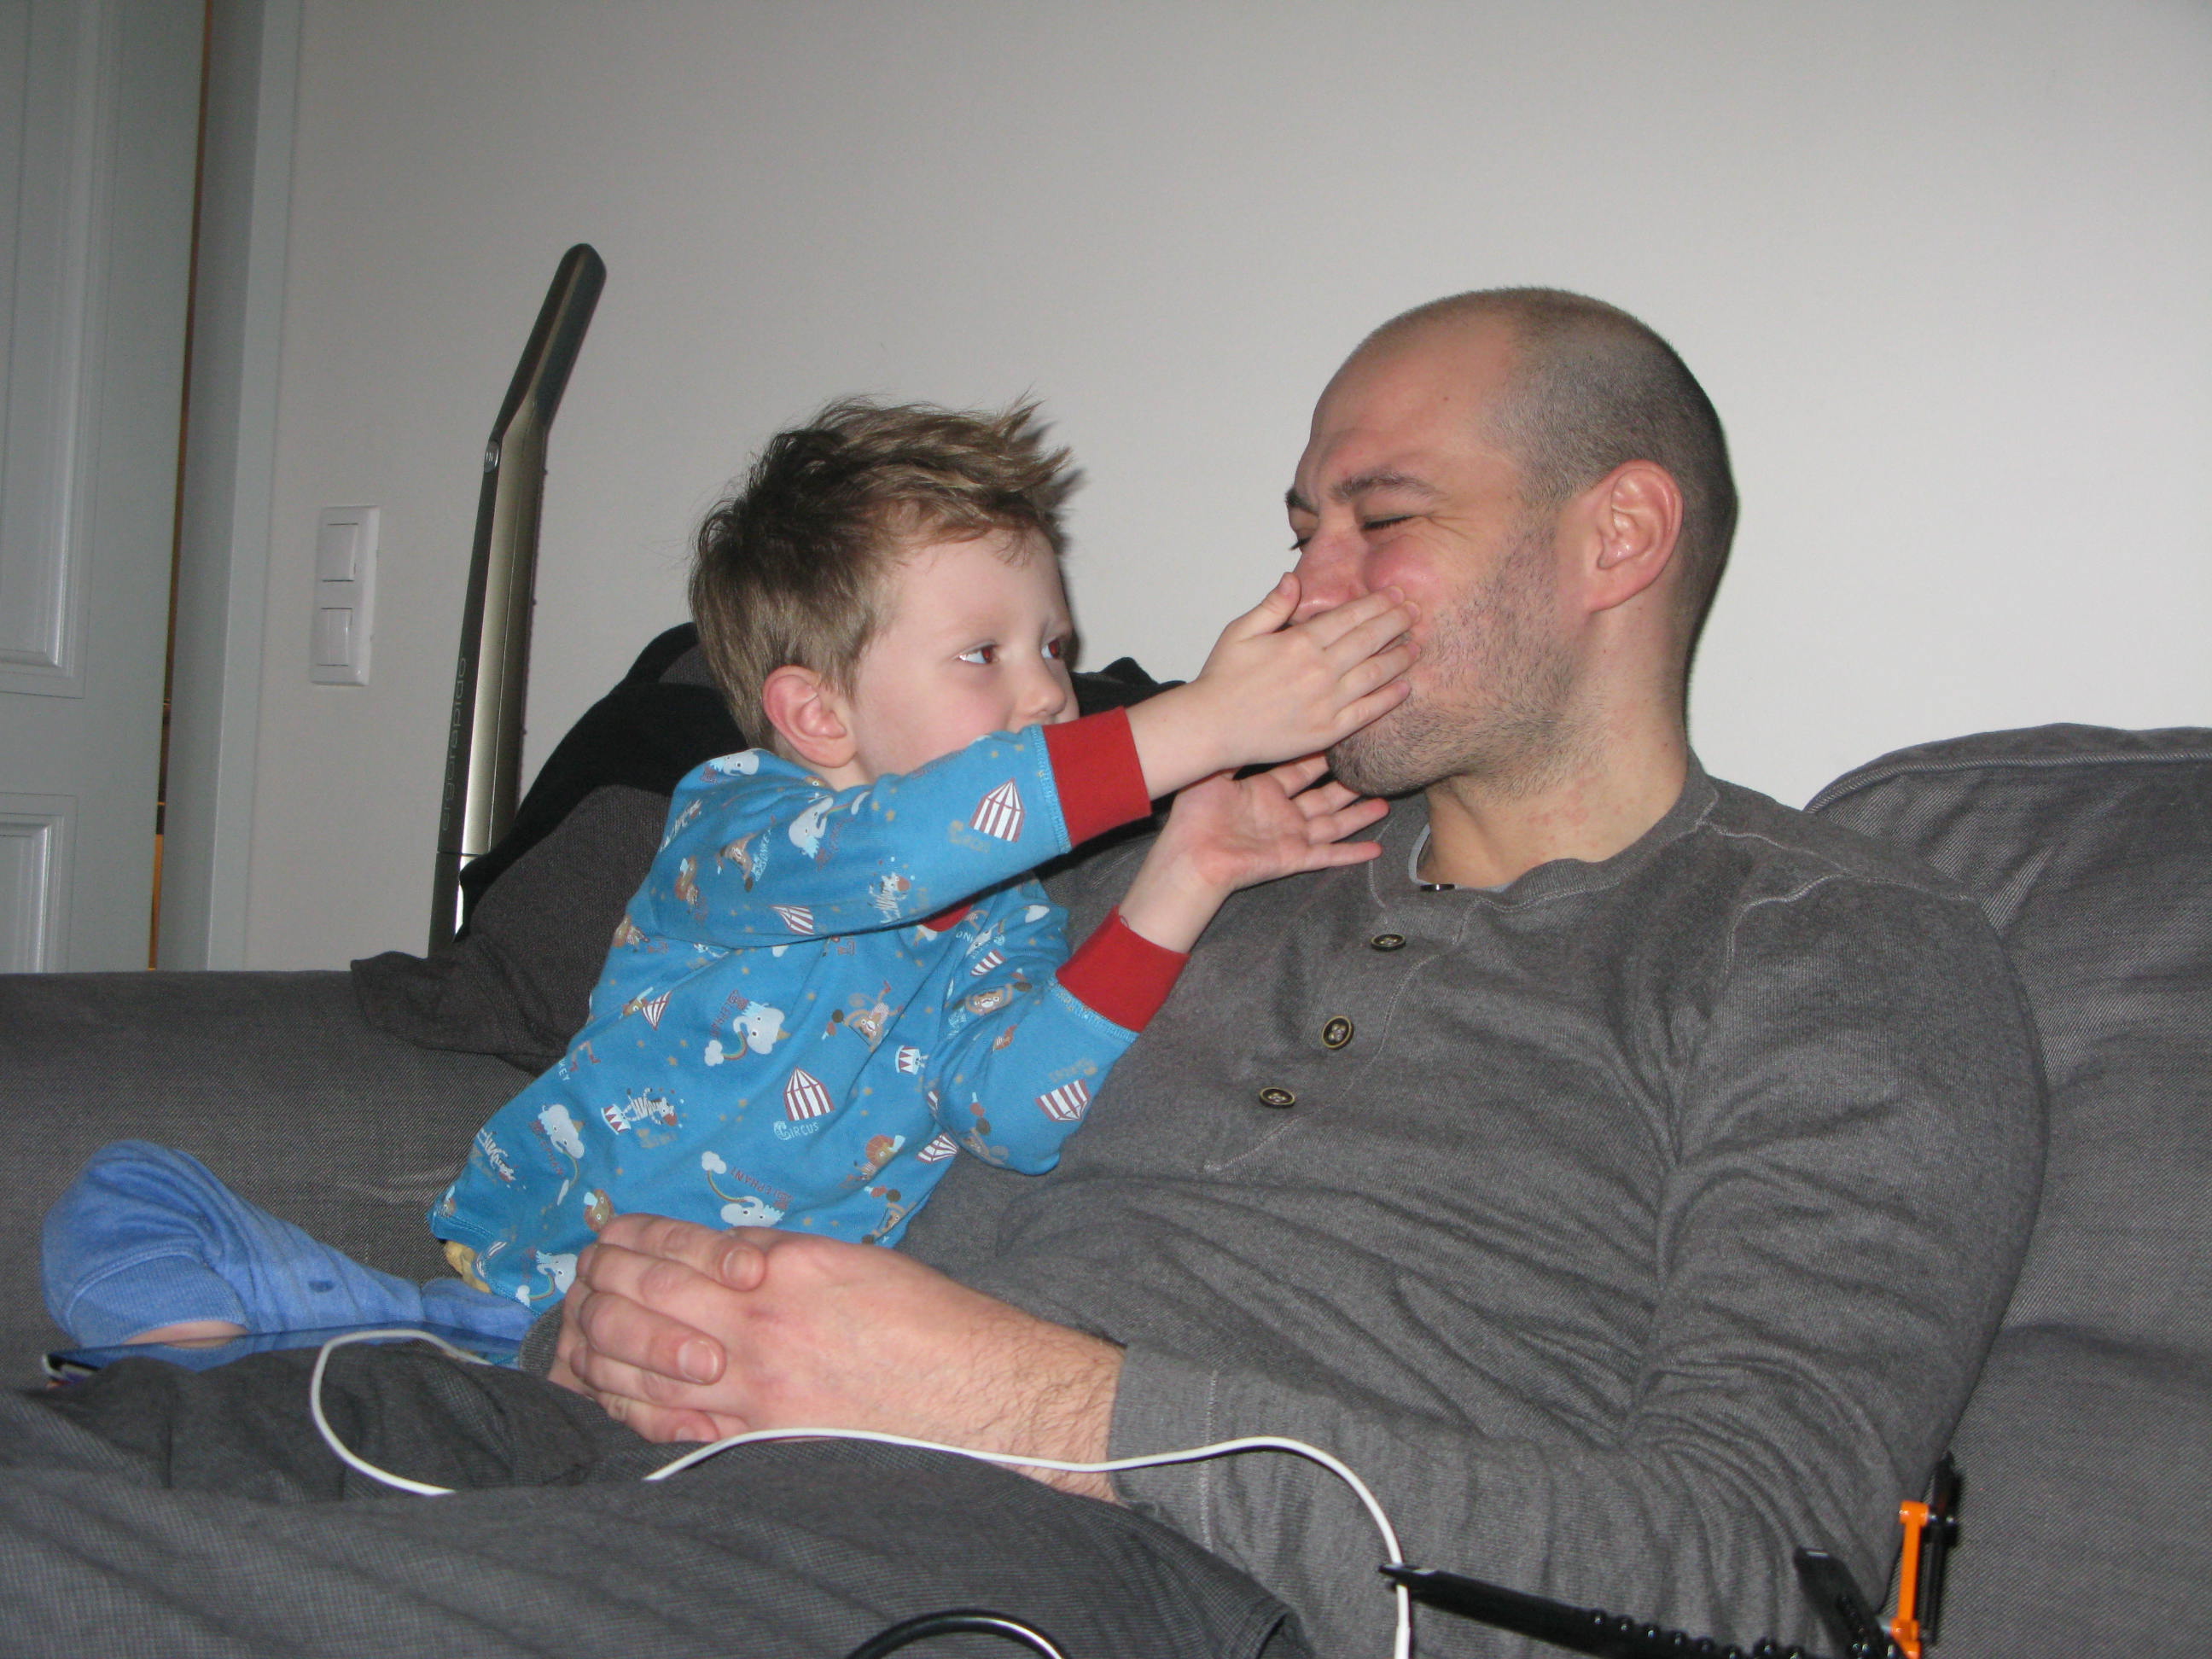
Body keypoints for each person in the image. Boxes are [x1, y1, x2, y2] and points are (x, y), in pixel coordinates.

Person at [0, 291, 2043, 1659]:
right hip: (622, 1434)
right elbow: (831, 898)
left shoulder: (1834, 954)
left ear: (1619, 537)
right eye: (1299, 526)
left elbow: (1761, 1585)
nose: (1301, 588)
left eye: (1379, 522)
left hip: (1065, 1569)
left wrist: (1013, 1399)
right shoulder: (1200, 857)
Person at [38, 397, 1415, 1349]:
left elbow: (1012, 1115)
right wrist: (1194, 728)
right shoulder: (742, 823)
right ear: (815, 713)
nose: (1052, 691)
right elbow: (903, 850)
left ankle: (287, 1393)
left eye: (1055, 647)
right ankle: (253, 1368)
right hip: (535, 1281)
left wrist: (1183, 874)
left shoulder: (1006, 921)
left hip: (724, 1349)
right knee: (127, 1205)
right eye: (983, 653)